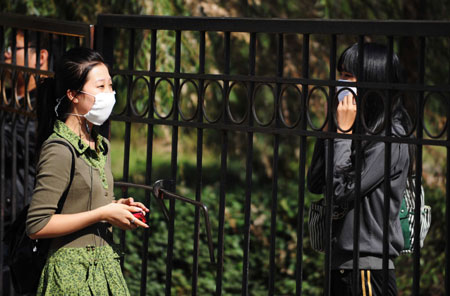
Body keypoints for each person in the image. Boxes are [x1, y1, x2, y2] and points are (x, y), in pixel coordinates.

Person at [25, 47, 149, 295]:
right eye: (100, 87)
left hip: (105, 270)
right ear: (73, 94)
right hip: (70, 277)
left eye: (111, 86)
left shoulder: (101, 145)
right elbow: (37, 225)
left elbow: (82, 203)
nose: (110, 94)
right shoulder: (59, 148)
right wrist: (102, 213)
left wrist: (116, 207)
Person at [307, 43, 414, 296]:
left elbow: (339, 190)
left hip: (366, 269)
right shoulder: (361, 132)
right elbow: (314, 183)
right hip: (343, 265)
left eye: (347, 76)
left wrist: (342, 134)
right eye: (340, 74)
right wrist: (330, 133)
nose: (339, 84)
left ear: (371, 81)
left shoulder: (390, 138)